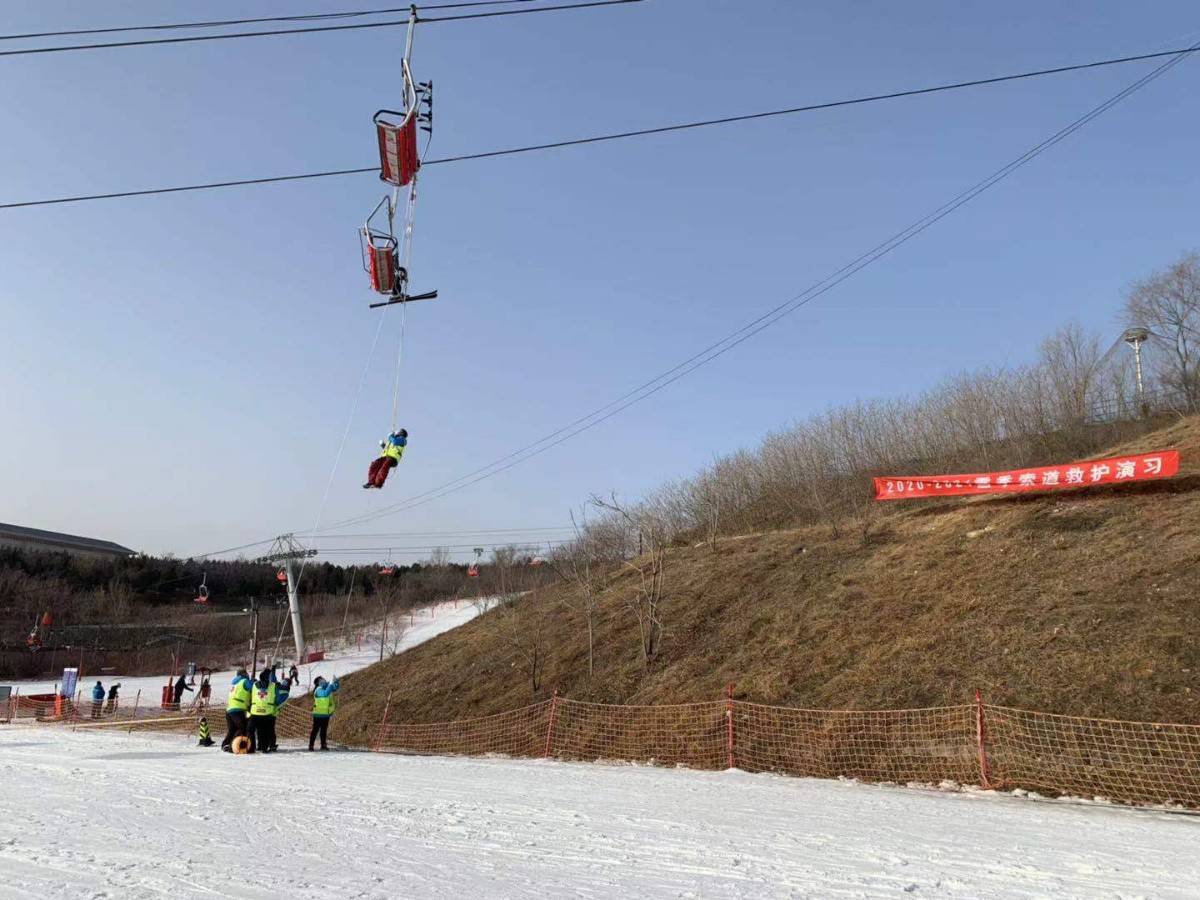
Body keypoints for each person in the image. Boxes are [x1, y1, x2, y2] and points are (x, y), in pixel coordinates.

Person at [248, 668, 289, 754]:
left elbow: (251, 696)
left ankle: (252, 747)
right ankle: (264, 748)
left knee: (251, 730)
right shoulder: (273, 686)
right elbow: (277, 700)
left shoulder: (254, 684)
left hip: (255, 711)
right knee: (266, 730)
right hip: (267, 712)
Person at [221, 669, 253, 753]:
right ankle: (233, 746)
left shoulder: (234, 683)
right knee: (242, 727)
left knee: (232, 729)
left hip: (229, 709)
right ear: (244, 674)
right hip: (238, 709)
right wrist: (253, 681)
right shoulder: (244, 681)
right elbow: (253, 688)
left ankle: (225, 744)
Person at [308, 676, 341, 752]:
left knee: (324, 731)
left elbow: (336, 688)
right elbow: (325, 694)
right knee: (315, 730)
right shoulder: (318, 689)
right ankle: (311, 745)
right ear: (318, 683)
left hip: (326, 714)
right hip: (318, 714)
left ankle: (323, 745)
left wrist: (336, 682)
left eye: (323, 679)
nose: (323, 680)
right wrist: (330, 685)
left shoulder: (327, 687)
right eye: (321, 680)